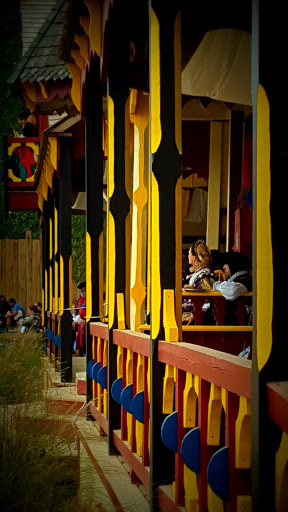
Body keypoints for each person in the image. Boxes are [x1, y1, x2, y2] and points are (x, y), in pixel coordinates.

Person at [182, 240, 215, 325]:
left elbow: (207, 301)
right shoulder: (198, 274)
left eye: (189, 253)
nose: (188, 255)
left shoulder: (203, 276)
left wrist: (194, 315)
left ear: (194, 258)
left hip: (195, 317)